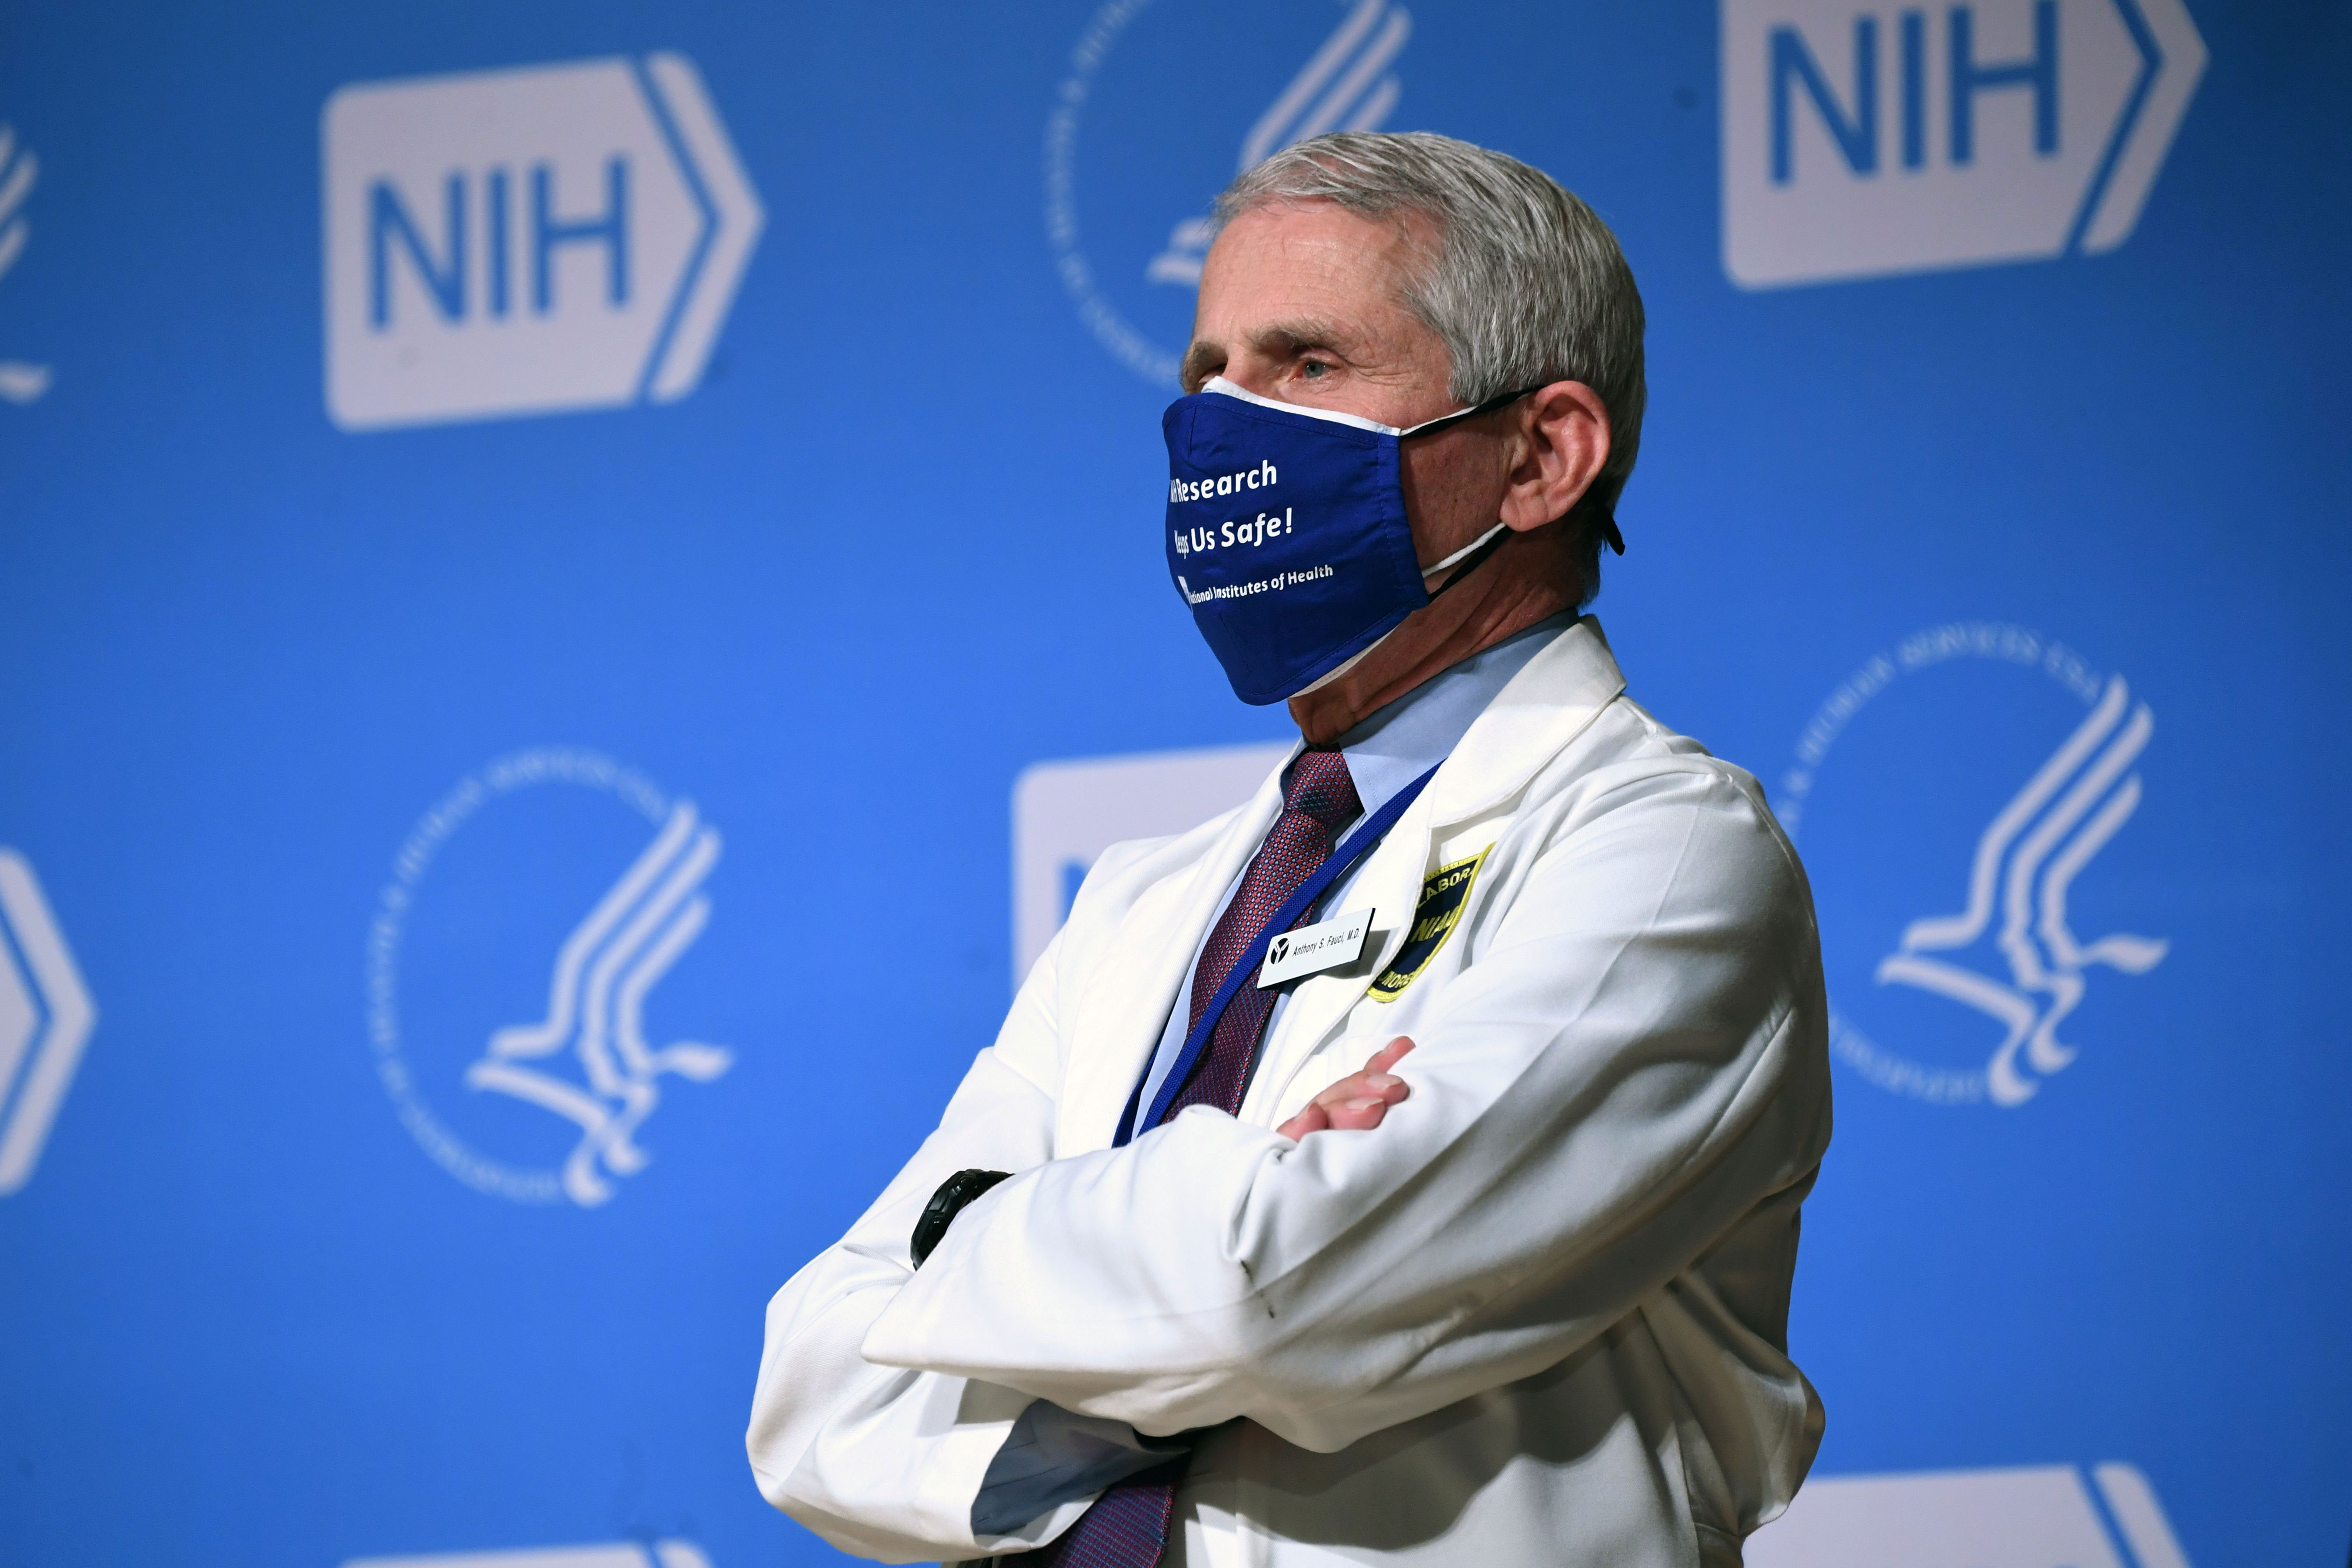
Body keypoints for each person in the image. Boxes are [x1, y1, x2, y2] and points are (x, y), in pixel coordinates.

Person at [747, 131, 1831, 1568]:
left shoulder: (1663, 853)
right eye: (1210, 374)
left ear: (1542, 452)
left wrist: (970, 1258)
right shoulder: (1149, 899)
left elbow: (1270, 1289)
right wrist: (1216, 1208)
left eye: (1305, 365)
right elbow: (812, 1394)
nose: (1220, 431)